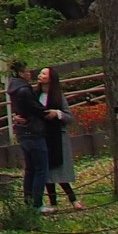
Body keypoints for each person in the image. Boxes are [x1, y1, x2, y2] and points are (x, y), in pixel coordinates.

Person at [6, 59, 49, 209]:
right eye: (26, 71)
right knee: (40, 169)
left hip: (23, 132)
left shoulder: (14, 89)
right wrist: (50, 113)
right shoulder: (24, 90)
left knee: (30, 169)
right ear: (20, 73)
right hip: (33, 131)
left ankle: (28, 202)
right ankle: (36, 204)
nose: (29, 74)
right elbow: (36, 108)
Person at [37, 66, 81, 211]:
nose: (40, 75)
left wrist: (58, 114)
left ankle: (73, 199)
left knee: (60, 170)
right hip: (42, 136)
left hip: (58, 137)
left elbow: (69, 117)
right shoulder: (35, 95)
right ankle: (53, 202)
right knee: (47, 171)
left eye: (44, 73)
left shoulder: (58, 96)